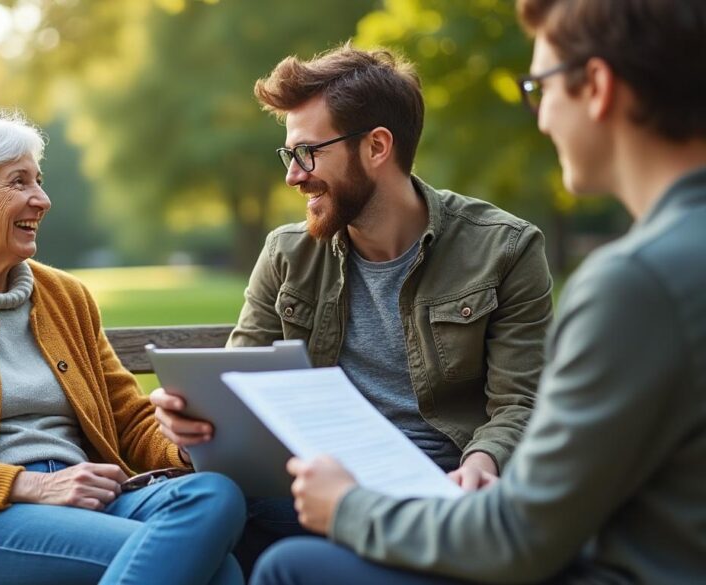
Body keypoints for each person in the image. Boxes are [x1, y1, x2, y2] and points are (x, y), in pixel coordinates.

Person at [250, 0, 706, 583]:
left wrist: (348, 507)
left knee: (289, 568)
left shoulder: (636, 284)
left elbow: (521, 533)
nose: (539, 118)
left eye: (538, 87)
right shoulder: (660, 272)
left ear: (596, 87)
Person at [151, 43, 554, 571]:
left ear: (377, 147)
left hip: (438, 492)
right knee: (202, 513)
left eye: (307, 152)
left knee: (283, 561)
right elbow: (237, 386)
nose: (293, 176)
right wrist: (194, 427)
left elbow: (520, 403)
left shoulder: (504, 249)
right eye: (289, 155)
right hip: (314, 487)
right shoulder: (286, 253)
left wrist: (485, 458)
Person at [0, 112, 245, 585]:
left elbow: (129, 421)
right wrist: (32, 484)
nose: (43, 199)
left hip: (92, 496)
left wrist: (182, 444)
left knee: (215, 495)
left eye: (39, 180)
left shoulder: (66, 296)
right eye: (19, 182)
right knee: (216, 570)